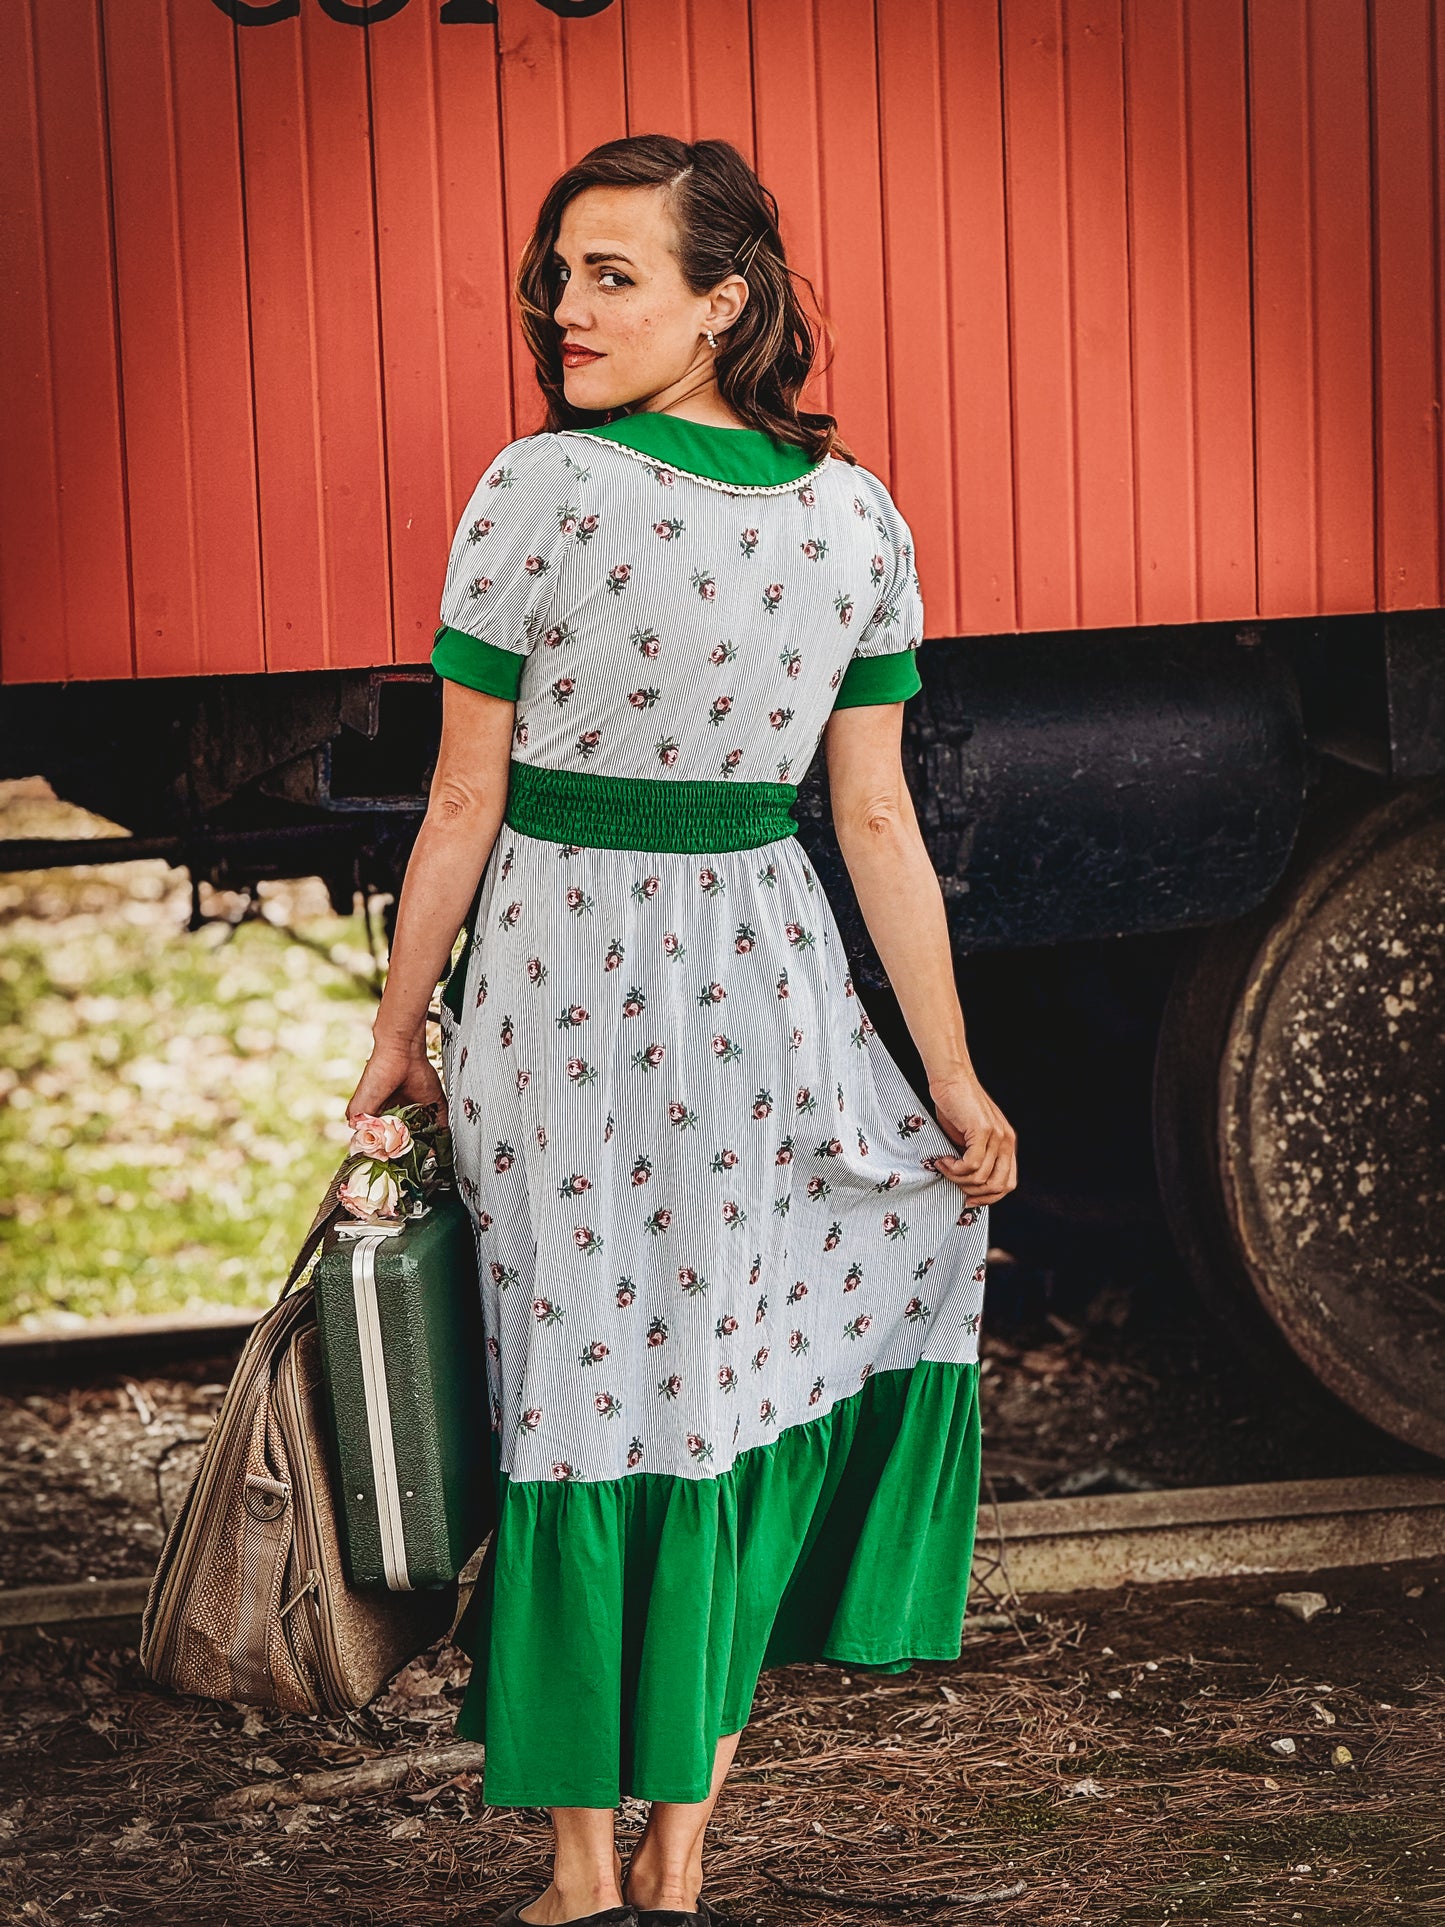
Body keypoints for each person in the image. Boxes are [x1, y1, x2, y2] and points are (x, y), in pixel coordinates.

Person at [348, 133, 1018, 1927]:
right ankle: (676, 1861)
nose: (565, 308)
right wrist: (940, 1076)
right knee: (722, 1388)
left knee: (592, 1401)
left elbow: (462, 803)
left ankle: (587, 1881)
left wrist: (401, 1029)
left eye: (613, 275)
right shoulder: (852, 511)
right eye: (557, 274)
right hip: (768, 985)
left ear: (726, 302)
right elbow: (871, 824)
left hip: (570, 989)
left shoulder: (537, 490)